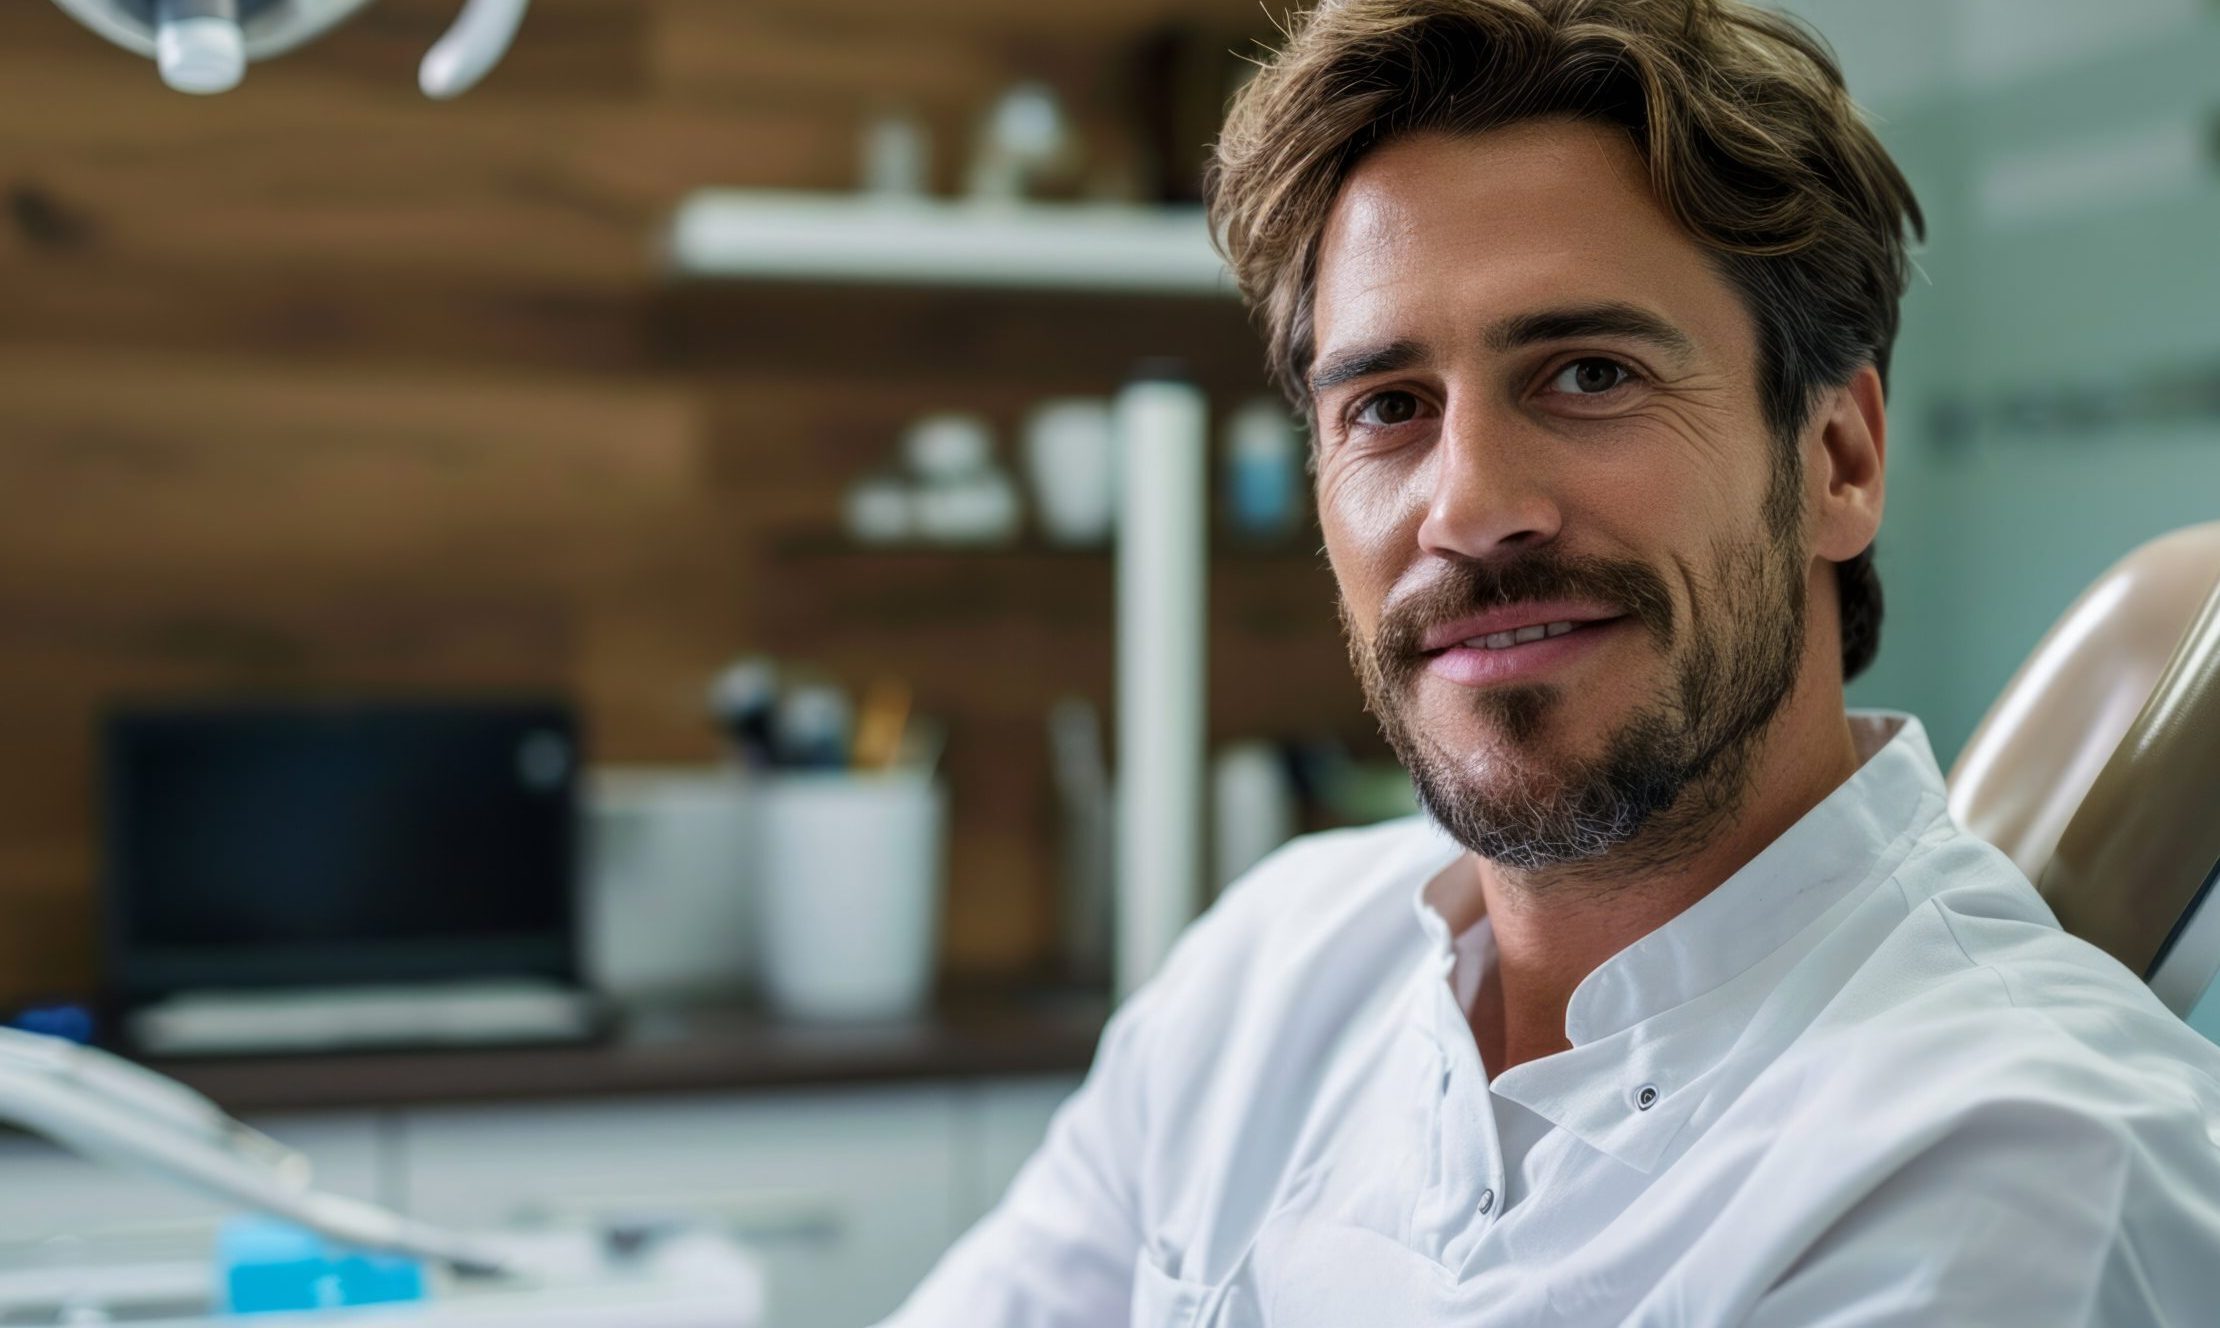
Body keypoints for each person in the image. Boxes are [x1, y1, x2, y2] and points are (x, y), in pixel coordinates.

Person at [882, 1, 2220, 1322]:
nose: (1466, 508)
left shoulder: (2015, 1168)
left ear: (1838, 459)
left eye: (1588, 375)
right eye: (1389, 408)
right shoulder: (1271, 973)